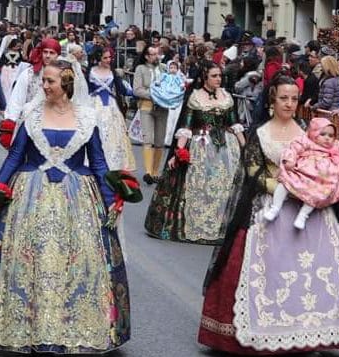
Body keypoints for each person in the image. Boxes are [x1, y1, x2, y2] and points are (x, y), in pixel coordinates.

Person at [198, 77, 339, 354]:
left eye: (294, 99)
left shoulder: (309, 132)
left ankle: (310, 333)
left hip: (309, 208)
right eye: (284, 98)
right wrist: (280, 188)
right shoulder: (260, 132)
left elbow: (329, 160)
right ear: (272, 99)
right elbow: (251, 169)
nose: (289, 104)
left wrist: (319, 186)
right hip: (269, 205)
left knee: (315, 270)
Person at [0, 62, 129, 354]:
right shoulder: (32, 115)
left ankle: (72, 329)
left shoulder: (87, 116)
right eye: (44, 81)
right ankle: (29, 330)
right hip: (31, 194)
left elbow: (97, 162)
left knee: (77, 263)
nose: (44, 86)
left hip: (77, 198)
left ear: (67, 84)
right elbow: (15, 157)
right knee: (30, 261)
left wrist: (111, 199)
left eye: (50, 82)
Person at [144, 63, 245, 244]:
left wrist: (245, 147)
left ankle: (218, 226)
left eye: (220, 76)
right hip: (201, 144)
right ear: (205, 78)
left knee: (223, 185)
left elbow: (234, 125)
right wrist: (180, 151)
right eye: (214, 76)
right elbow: (186, 127)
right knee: (200, 183)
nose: (218, 79)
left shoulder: (227, 97)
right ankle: (197, 222)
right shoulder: (196, 98)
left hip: (225, 147)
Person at [262, 117, 339, 230]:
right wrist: (290, 160)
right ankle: (275, 207)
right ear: (314, 132)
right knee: (285, 182)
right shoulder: (305, 141)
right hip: (302, 172)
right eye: (323, 134)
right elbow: (293, 149)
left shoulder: (335, 147)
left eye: (330, 135)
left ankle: (303, 215)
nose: (327, 138)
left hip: (320, 180)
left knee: (317, 193)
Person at [84, 45, 136, 173]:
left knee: (114, 133)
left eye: (110, 57)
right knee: (96, 131)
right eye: (105, 58)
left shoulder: (113, 72)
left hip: (111, 106)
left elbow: (122, 90)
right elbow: (84, 89)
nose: (108, 60)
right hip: (93, 104)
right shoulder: (90, 71)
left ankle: (114, 160)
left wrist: (137, 92)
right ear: (99, 58)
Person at [133, 44, 168, 184]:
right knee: (148, 139)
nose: (156, 56)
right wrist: (154, 95)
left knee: (160, 141)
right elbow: (137, 90)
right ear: (146, 56)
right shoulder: (140, 69)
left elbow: (172, 84)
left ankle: (155, 172)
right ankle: (148, 172)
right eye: (153, 54)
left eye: (157, 53)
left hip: (163, 108)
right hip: (146, 107)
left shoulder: (164, 68)